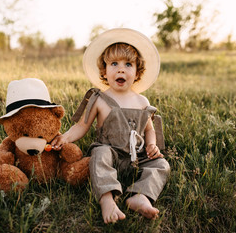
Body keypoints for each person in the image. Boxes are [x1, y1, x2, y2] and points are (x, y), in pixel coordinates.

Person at [51, 28, 170, 224]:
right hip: (110, 155)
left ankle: (141, 196)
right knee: (99, 155)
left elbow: (149, 129)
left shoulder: (142, 101)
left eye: (128, 64)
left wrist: (152, 145)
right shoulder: (100, 99)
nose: (121, 69)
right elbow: (83, 125)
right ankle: (107, 199)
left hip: (136, 157)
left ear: (137, 72)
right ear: (104, 71)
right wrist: (65, 137)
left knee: (161, 165)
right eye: (114, 64)